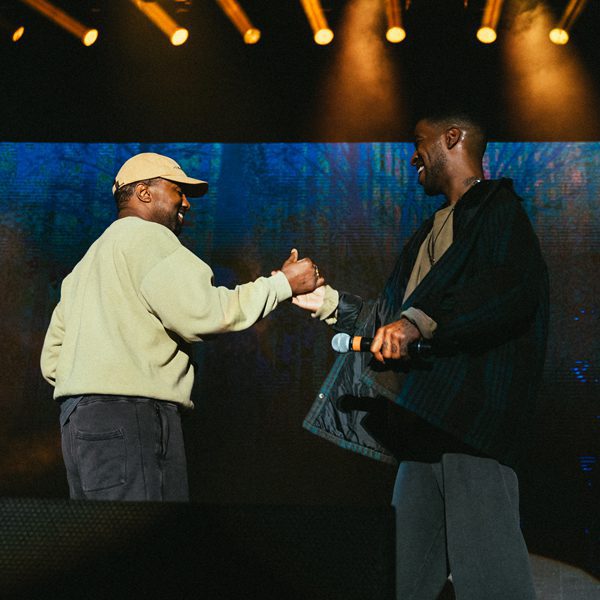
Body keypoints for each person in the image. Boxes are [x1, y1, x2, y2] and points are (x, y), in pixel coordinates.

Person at [295, 111, 548, 599]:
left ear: (452, 138)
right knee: (404, 578)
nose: (412, 154)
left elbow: (506, 290)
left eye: (420, 141)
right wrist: (328, 303)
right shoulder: (431, 230)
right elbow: (392, 318)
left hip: (468, 428)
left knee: (491, 579)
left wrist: (417, 323)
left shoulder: (498, 210)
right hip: (424, 430)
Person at [40, 152, 323, 502]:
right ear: (144, 192)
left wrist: (93, 388)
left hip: (79, 424)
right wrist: (283, 284)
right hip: (132, 418)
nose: (186, 202)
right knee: (147, 544)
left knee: (105, 545)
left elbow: (53, 360)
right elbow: (205, 312)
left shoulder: (88, 262)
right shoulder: (150, 240)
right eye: (177, 190)